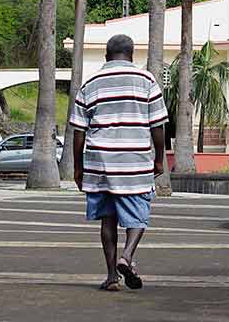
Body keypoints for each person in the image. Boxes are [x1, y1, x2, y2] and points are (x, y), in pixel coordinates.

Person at [70, 34, 168, 291]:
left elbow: (78, 131)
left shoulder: (90, 83)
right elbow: (157, 125)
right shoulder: (146, 80)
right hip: (134, 160)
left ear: (106, 56)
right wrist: (159, 159)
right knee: (138, 214)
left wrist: (78, 168)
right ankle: (127, 255)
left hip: (99, 161)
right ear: (132, 55)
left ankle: (112, 276)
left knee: (107, 219)